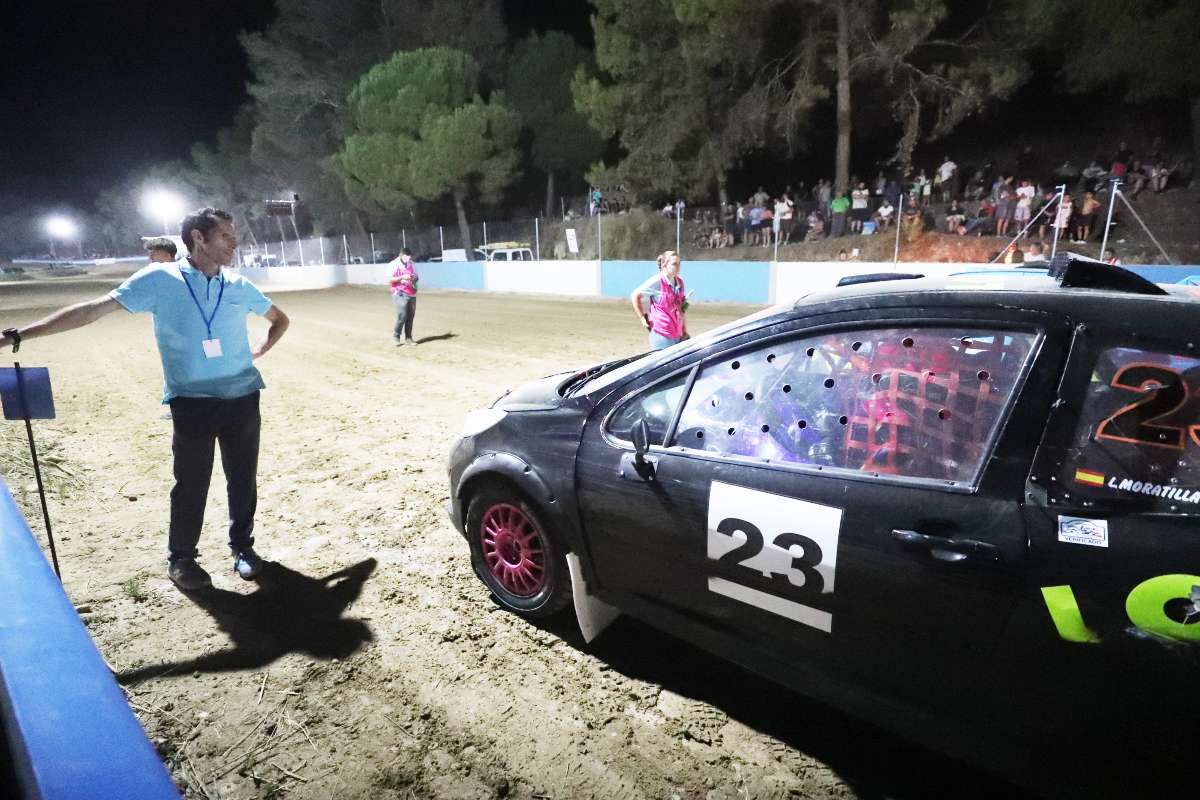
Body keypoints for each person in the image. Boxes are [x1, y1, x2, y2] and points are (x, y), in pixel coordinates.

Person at [0, 208, 290, 591]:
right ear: (199, 238)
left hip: (242, 399)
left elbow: (279, 319)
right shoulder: (160, 279)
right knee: (190, 484)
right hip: (192, 402)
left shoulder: (237, 285)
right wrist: (20, 334)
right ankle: (182, 560)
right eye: (226, 236)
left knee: (242, 481)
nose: (235, 243)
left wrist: (256, 353)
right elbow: (91, 311)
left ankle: (243, 550)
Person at [631, 250, 688, 350]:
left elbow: (681, 310)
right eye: (674, 264)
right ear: (664, 265)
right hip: (661, 335)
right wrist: (642, 317)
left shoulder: (680, 282)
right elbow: (635, 295)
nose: (678, 267)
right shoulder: (658, 281)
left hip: (677, 335)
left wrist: (684, 331)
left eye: (679, 264)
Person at [388, 248, 418, 346]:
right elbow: (390, 279)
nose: (408, 259)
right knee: (403, 315)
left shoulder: (412, 264)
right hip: (399, 292)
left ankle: (408, 338)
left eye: (409, 257)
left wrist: (414, 278)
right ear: (401, 255)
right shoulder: (393, 264)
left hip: (411, 292)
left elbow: (417, 277)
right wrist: (402, 277)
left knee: (410, 316)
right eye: (406, 257)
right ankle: (396, 337)